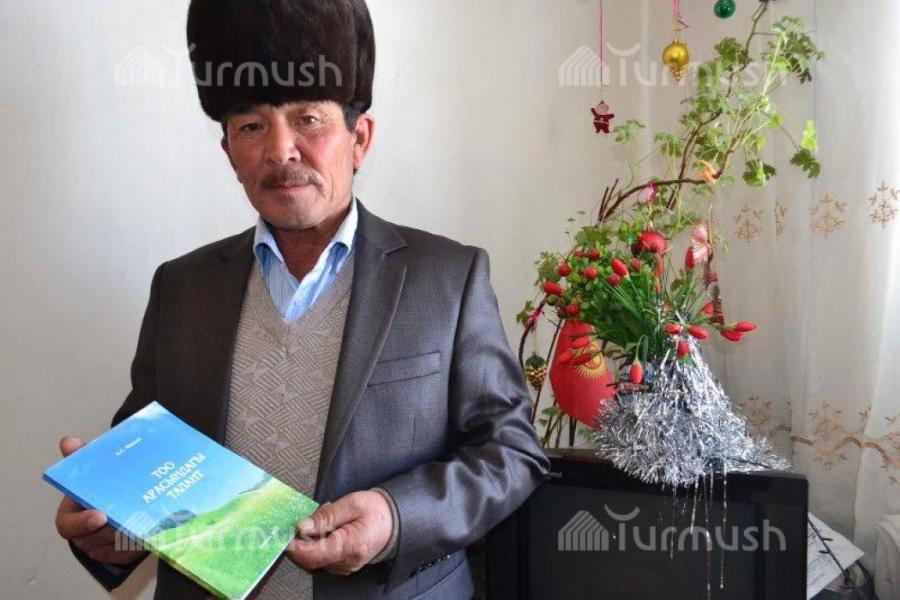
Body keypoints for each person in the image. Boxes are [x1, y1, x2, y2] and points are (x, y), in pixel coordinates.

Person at [52, 1, 549, 598]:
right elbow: (146, 477)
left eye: (307, 118)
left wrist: (395, 518)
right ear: (229, 153)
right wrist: (109, 526)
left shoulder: (447, 279)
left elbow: (511, 451)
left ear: (359, 139)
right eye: (251, 126)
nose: (280, 150)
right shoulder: (181, 289)